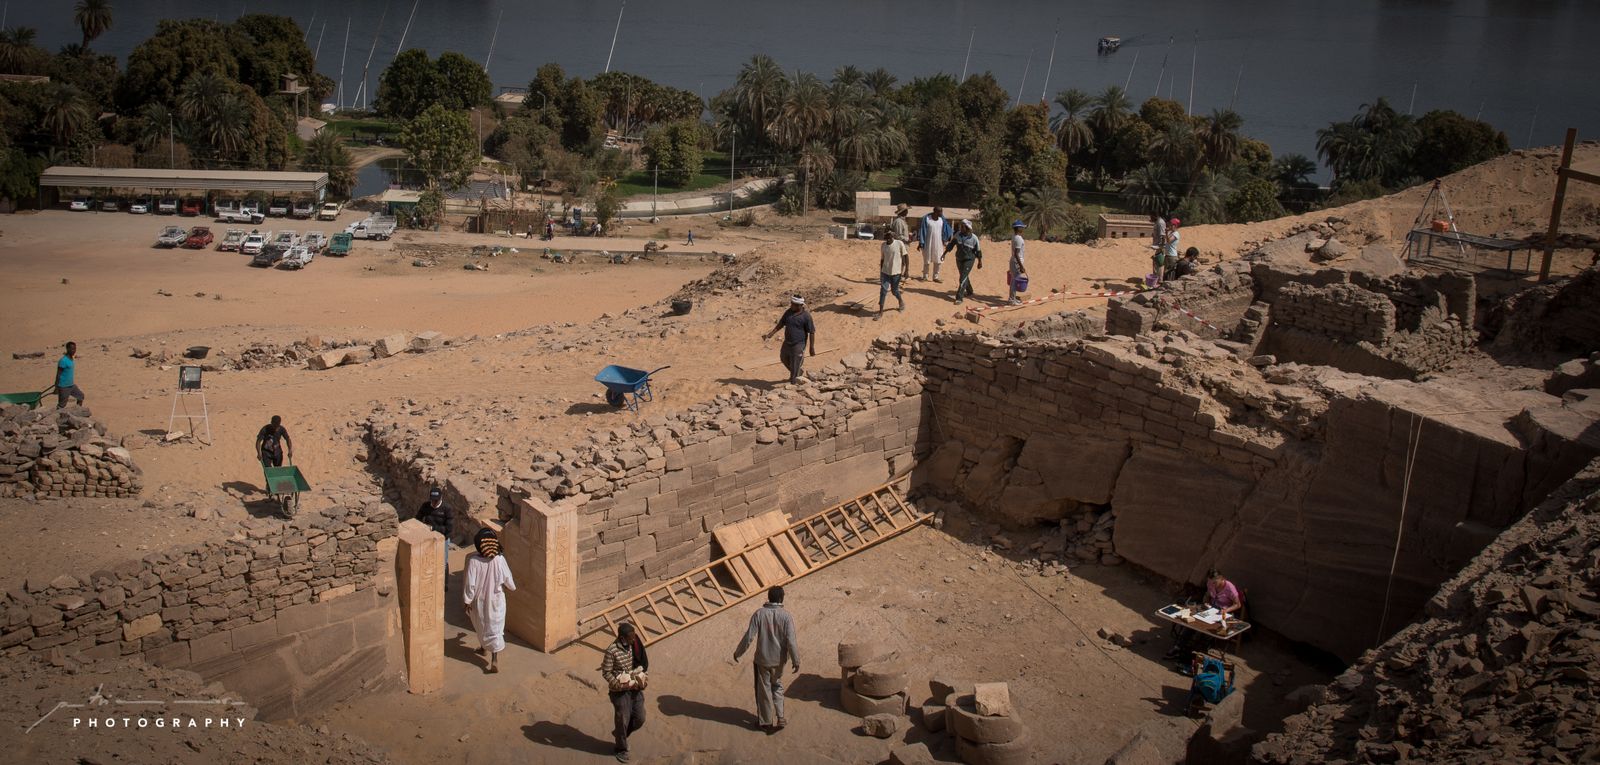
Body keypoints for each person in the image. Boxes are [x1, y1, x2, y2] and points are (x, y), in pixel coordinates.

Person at [733, 586, 800, 732]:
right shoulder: (786, 616)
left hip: (762, 660)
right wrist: (796, 660)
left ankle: (766, 722)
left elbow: (749, 636)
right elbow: (791, 640)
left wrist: (738, 653)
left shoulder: (759, 614)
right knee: (777, 686)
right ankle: (781, 717)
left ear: (769, 598)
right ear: (781, 598)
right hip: (779, 660)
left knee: (764, 690)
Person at [463, 528, 515, 673]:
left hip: (479, 601)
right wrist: (512, 587)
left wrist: (467, 600)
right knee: (495, 628)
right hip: (496, 601)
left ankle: (484, 648)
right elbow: (509, 581)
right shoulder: (500, 560)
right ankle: (494, 659)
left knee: (481, 624)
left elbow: (470, 584)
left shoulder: (474, 561)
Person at [1165, 569, 1243, 661]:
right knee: (1192, 622)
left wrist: (1226, 610)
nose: (1213, 585)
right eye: (1211, 582)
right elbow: (1207, 595)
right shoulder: (1210, 584)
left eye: (1215, 583)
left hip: (1224, 612)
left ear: (1222, 579)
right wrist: (1206, 603)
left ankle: (1197, 651)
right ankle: (1178, 646)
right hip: (1211, 609)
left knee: (1208, 628)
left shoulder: (1230, 588)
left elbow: (1238, 604)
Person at [600, 622, 650, 762]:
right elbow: (606, 672)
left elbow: (641, 663)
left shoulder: (633, 645)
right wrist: (619, 685)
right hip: (620, 692)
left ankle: (619, 734)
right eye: (631, 638)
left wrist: (641, 678)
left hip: (634, 688)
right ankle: (620, 748)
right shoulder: (612, 651)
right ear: (622, 638)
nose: (634, 640)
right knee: (622, 719)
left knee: (640, 718)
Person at [762, 295, 816, 384]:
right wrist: (771, 334)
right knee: (783, 358)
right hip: (787, 342)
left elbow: (812, 332)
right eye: (791, 304)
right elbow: (781, 323)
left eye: (794, 304)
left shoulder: (806, 316)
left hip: (799, 344)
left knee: (795, 364)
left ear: (800, 305)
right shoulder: (788, 312)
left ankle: (793, 382)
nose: (791, 306)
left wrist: (812, 347)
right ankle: (797, 373)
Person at [416, 487, 453, 591]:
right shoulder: (425, 506)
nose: (434, 503)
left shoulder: (447, 509)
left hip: (443, 539)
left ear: (441, 498)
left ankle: (444, 585)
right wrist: (421, 527)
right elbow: (417, 518)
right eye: (432, 500)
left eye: (436, 501)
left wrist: (433, 528)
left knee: (443, 562)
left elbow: (449, 529)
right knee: (428, 561)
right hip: (428, 539)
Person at [945, 220, 984, 304]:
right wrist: (944, 254)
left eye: (962, 226)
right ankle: (969, 290)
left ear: (967, 228)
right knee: (964, 275)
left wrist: (979, 261)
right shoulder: (957, 235)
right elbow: (951, 244)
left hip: (969, 260)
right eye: (960, 226)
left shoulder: (974, 238)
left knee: (962, 277)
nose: (960, 228)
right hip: (959, 259)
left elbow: (978, 251)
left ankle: (959, 297)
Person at [877, 230, 907, 319]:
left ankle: (901, 301)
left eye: (890, 238)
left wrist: (907, 270)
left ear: (892, 237)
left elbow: (905, 255)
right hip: (885, 272)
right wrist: (881, 272)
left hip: (896, 273)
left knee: (894, 291)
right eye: (887, 238)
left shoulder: (899, 244)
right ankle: (880, 312)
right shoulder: (883, 245)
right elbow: (882, 259)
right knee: (883, 291)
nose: (888, 240)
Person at [918, 206, 953, 282]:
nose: (941, 213)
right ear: (935, 211)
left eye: (941, 211)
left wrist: (945, 240)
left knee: (938, 259)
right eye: (940, 211)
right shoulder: (927, 219)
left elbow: (946, 230)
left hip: (938, 243)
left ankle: (935, 277)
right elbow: (922, 230)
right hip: (928, 242)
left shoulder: (941, 220)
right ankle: (925, 276)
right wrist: (921, 242)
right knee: (926, 260)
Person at [55, 341, 84, 409]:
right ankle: (55, 416)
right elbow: (58, 374)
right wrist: (56, 387)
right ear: (67, 349)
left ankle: (77, 411)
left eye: (75, 349)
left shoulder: (71, 359)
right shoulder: (63, 361)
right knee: (61, 405)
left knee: (81, 396)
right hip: (64, 386)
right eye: (72, 349)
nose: (74, 351)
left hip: (71, 385)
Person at [1007, 220, 1029, 305]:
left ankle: (1012, 298)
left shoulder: (1014, 236)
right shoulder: (1019, 239)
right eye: (1022, 227)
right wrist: (1021, 266)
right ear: (1019, 228)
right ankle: (1012, 299)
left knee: (1013, 280)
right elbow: (1016, 253)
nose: (1023, 229)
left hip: (1014, 261)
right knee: (1015, 281)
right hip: (1016, 262)